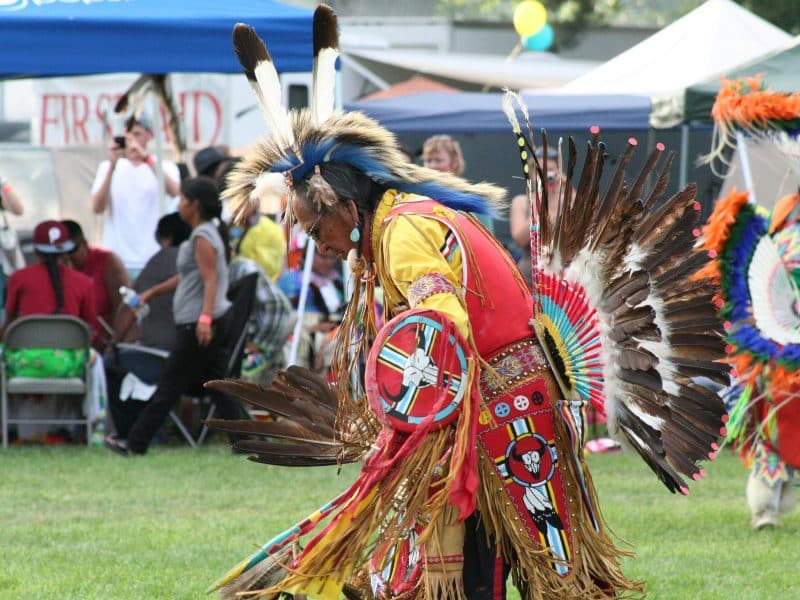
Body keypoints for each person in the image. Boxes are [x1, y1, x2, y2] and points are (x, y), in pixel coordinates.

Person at [211, 15, 725, 599]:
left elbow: (442, 325)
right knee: (491, 554)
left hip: (502, 410)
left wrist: (409, 406)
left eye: (312, 226)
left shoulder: (403, 233)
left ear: (345, 210)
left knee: (535, 565)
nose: (314, 242)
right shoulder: (406, 220)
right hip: (501, 405)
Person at [104, 177, 240, 456]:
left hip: (198, 323)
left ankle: (134, 442)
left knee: (169, 385)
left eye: (182, 200)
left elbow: (209, 279)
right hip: (204, 320)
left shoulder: (202, 236)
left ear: (195, 205)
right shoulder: (206, 233)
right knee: (218, 386)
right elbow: (189, 276)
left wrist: (204, 318)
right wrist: (153, 291)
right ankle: (247, 442)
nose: (179, 205)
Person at [90, 115, 181, 281]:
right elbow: (97, 207)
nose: (132, 141)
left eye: (137, 134)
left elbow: (176, 192)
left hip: (152, 255)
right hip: (117, 257)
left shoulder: (163, 166)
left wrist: (147, 159)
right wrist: (112, 165)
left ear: (149, 135)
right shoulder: (107, 167)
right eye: (128, 136)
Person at [4, 220, 95, 329]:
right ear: (66, 251)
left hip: (28, 345)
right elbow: (89, 325)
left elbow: (10, 323)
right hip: (70, 345)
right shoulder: (85, 282)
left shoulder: (18, 278)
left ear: (36, 250)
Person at [62, 219, 129, 347]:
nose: (67, 257)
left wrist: (109, 341)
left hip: (103, 339)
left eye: (71, 251)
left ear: (85, 244)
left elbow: (122, 307)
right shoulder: (56, 269)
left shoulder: (107, 261)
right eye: (61, 253)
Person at [509, 147, 562, 288]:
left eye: (550, 170)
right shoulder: (522, 202)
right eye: (541, 171)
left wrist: (566, 191)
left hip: (564, 274)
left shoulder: (569, 199)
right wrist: (540, 203)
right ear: (532, 174)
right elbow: (520, 239)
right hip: (530, 273)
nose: (546, 175)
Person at [423, 133, 494, 233]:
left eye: (438, 160)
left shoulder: (474, 199)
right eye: (428, 160)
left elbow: (486, 239)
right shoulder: (418, 196)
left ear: (454, 162)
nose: (432, 165)